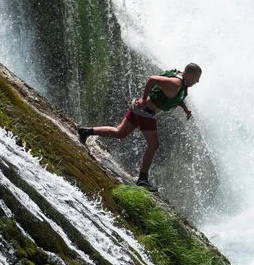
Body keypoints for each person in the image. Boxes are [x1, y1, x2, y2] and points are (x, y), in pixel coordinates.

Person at [77, 63, 202, 191]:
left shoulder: (179, 80)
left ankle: (85, 131)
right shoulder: (175, 83)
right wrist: (143, 99)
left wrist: (185, 109)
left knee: (120, 132)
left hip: (140, 109)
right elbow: (152, 79)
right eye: (196, 79)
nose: (197, 82)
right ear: (189, 75)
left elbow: (175, 96)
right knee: (154, 145)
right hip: (145, 111)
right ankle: (142, 179)